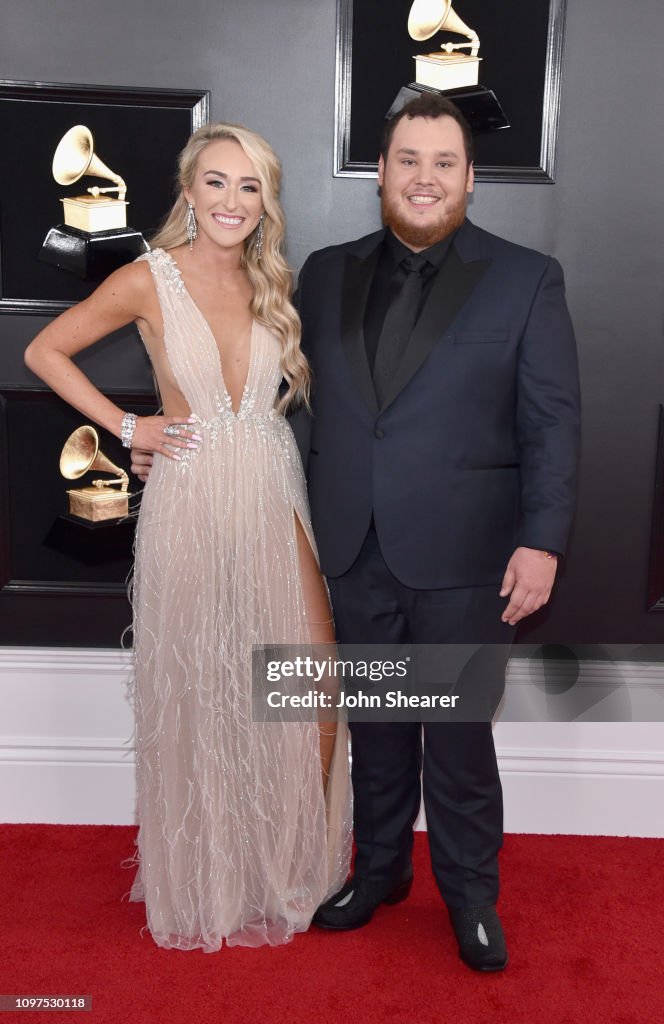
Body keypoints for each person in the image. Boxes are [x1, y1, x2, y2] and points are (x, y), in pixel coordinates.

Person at [132, 95, 580, 970]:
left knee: (454, 736)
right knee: (374, 726)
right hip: (352, 546)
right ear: (380, 173)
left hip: (469, 557)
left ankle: (469, 895)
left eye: (443, 162)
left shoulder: (528, 277)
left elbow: (553, 422)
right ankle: (375, 872)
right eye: (407, 160)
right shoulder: (325, 273)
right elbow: (257, 389)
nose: (424, 177)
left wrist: (545, 538)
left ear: (469, 177)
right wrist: (168, 443)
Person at [24, 122, 351, 951]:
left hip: (275, 490)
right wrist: (129, 425)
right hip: (193, 494)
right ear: (188, 190)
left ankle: (293, 863)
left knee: (308, 678)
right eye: (216, 182)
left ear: (266, 200)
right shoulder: (147, 278)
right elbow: (45, 350)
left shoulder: (272, 278)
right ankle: (211, 873)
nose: (232, 201)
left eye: (250, 186)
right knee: (207, 682)